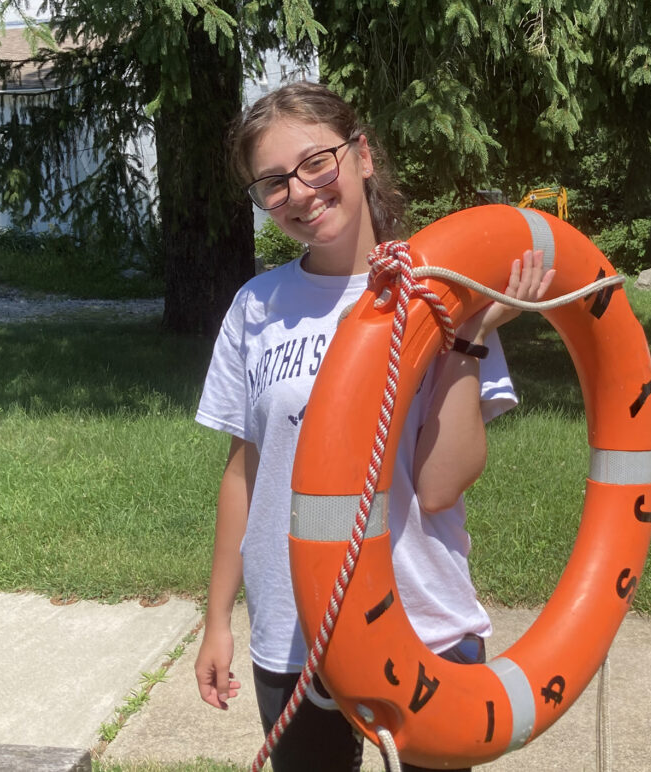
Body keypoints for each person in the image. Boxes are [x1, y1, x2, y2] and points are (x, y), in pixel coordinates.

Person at [193, 81, 554, 772]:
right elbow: (245, 472)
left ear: (360, 156)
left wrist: (469, 336)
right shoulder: (256, 307)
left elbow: (442, 486)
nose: (299, 192)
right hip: (293, 633)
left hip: (424, 622)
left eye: (315, 163)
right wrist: (216, 622)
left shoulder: (440, 292)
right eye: (272, 183)